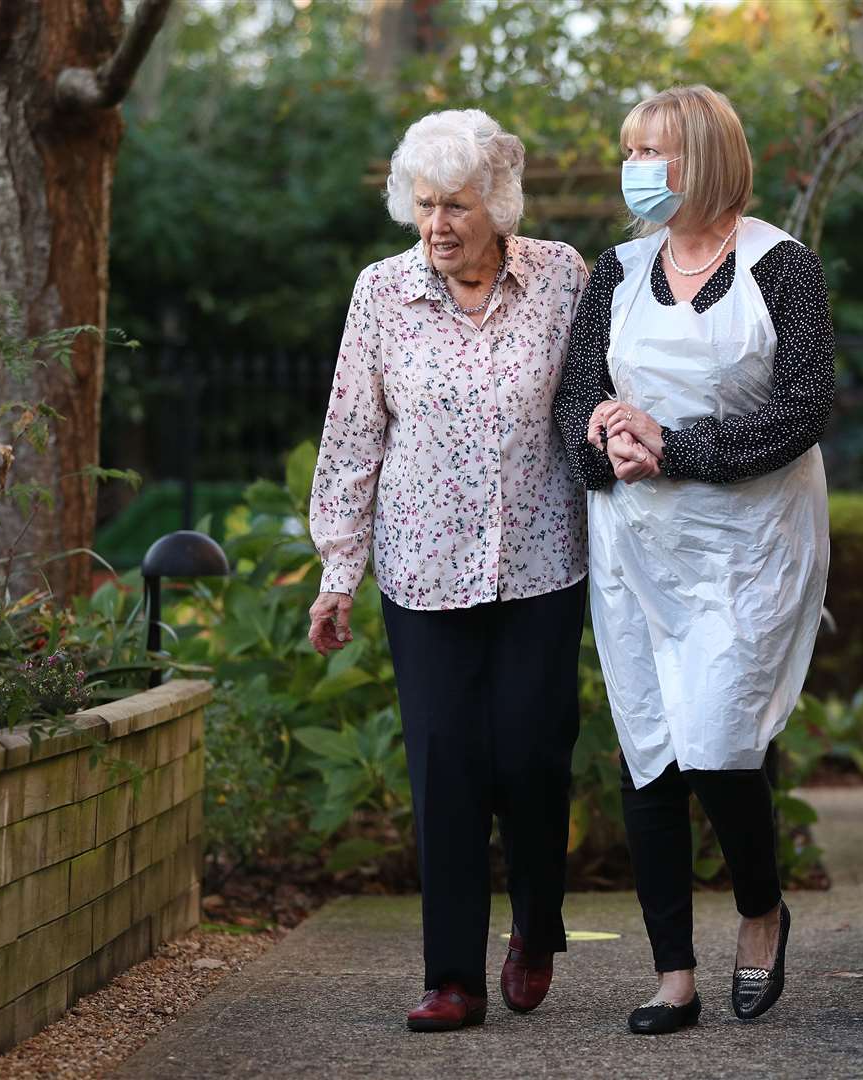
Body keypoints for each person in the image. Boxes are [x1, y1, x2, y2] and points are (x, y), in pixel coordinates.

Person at [553, 85, 834, 1035]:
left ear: (706, 159)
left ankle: (761, 908)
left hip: (745, 547)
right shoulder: (618, 270)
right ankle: (673, 971)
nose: (636, 167)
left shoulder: (781, 268)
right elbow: (575, 400)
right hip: (637, 545)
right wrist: (607, 439)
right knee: (649, 752)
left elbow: (800, 413)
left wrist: (675, 446)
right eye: (630, 149)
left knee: (718, 740)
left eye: (656, 151)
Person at [307, 109, 589, 1033]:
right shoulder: (381, 294)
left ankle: (538, 927)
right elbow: (352, 438)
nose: (438, 225)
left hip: (541, 560)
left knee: (535, 757)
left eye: (457, 205)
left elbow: (594, 404)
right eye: (424, 204)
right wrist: (337, 573)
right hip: (424, 572)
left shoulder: (561, 278)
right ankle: (452, 976)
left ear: (497, 204)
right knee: (446, 767)